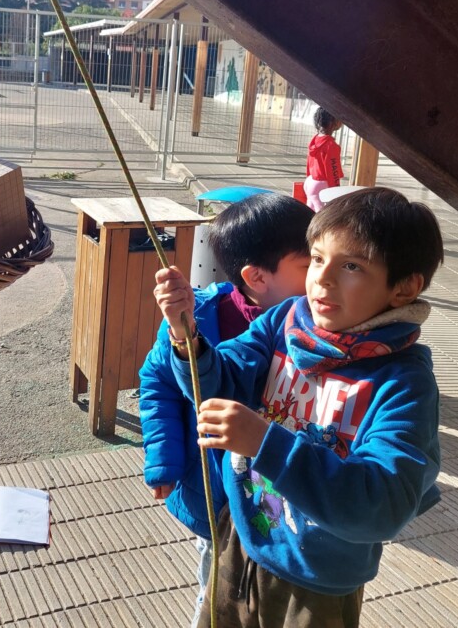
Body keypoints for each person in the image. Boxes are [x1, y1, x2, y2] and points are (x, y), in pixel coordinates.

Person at [154, 187, 444, 628]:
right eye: (317, 259)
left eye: (351, 266)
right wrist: (185, 335)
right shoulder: (286, 319)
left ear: (404, 287)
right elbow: (221, 381)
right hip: (242, 536)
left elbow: (383, 502)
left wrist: (265, 443)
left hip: (319, 576)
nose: (323, 280)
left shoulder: (403, 382)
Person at [139, 193, 314, 626]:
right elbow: (157, 382)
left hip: (283, 503)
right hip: (213, 494)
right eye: (312, 265)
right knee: (218, 588)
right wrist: (164, 461)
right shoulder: (195, 317)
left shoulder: (319, 325)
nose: (323, 278)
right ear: (256, 276)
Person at [304, 107, 344, 211]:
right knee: (323, 215)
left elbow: (309, 163)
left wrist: (309, 177)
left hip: (310, 181)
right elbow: (333, 169)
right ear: (332, 123)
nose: (341, 122)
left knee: (310, 211)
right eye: (338, 119)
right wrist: (336, 190)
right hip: (321, 185)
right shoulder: (331, 145)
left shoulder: (315, 140)